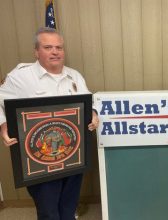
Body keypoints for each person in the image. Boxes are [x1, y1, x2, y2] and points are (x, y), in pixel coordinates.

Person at [0, 27, 99, 220]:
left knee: (68, 207)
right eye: (48, 47)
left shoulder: (75, 76)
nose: (55, 52)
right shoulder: (20, 77)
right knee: (48, 212)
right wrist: (3, 124)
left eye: (59, 47)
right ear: (36, 51)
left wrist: (93, 112)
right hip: (39, 160)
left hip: (73, 156)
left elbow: (90, 102)